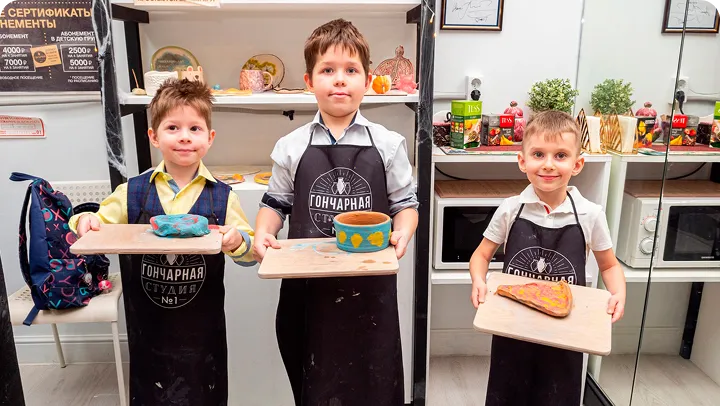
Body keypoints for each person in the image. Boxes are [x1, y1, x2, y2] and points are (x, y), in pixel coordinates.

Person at [252, 18, 419, 406]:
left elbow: (405, 205)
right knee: (314, 382)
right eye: (327, 70)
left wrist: (403, 232)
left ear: (368, 81)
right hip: (307, 288)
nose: (340, 80)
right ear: (309, 81)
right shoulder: (291, 146)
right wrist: (264, 232)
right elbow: (275, 204)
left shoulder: (389, 144)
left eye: (351, 71)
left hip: (369, 286)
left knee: (372, 383)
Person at [69, 78, 256, 406]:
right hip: (148, 330)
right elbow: (91, 223)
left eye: (195, 128)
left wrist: (237, 240)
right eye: (172, 127)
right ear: (154, 136)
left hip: (202, 335)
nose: (184, 136)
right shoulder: (131, 192)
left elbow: (250, 254)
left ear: (210, 138)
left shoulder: (224, 198)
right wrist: (85, 221)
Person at [469, 110, 627, 406]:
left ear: (577, 164)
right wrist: (479, 279)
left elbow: (609, 265)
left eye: (561, 155)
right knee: (508, 394)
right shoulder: (510, 209)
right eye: (538, 154)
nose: (548, 164)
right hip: (512, 328)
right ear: (522, 161)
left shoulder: (590, 214)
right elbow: (481, 255)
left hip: (566, 333)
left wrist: (618, 293)